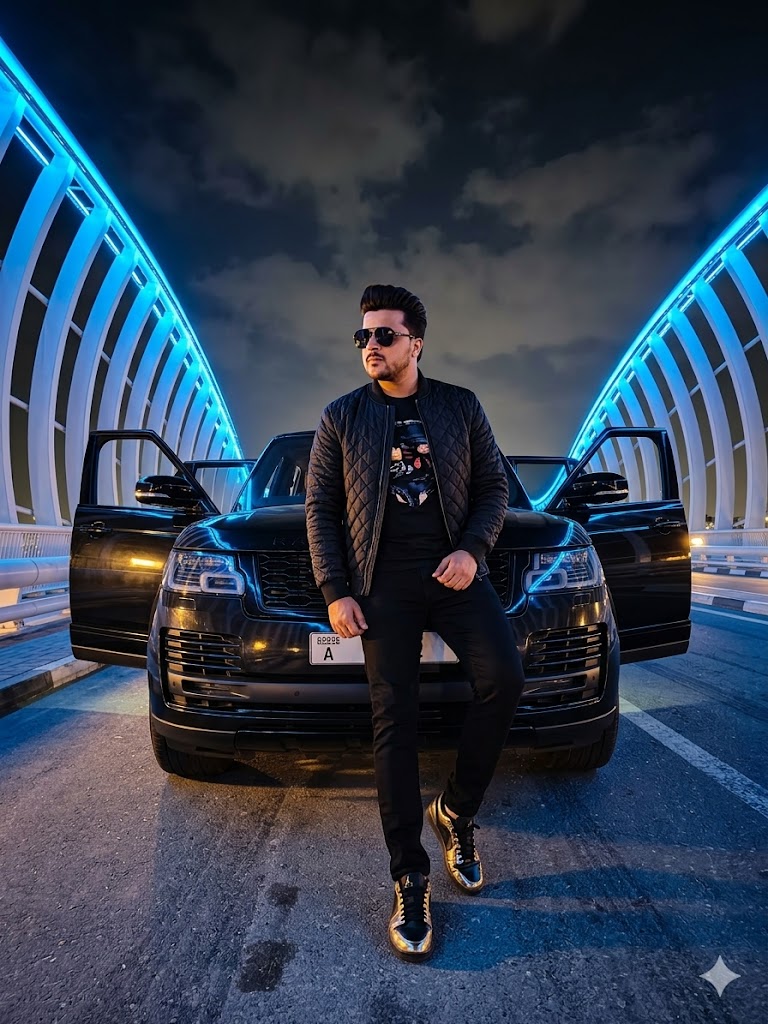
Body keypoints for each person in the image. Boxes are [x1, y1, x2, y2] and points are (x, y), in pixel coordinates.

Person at [305, 284, 526, 962]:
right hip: (381, 589)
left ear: (417, 342)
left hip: (455, 576)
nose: (371, 345)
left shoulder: (459, 406)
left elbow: (495, 487)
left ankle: (454, 811)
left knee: (505, 679)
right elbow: (320, 508)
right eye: (364, 336)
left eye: (385, 335)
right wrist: (336, 590)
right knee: (392, 718)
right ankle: (410, 876)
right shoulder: (342, 417)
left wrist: (472, 550)